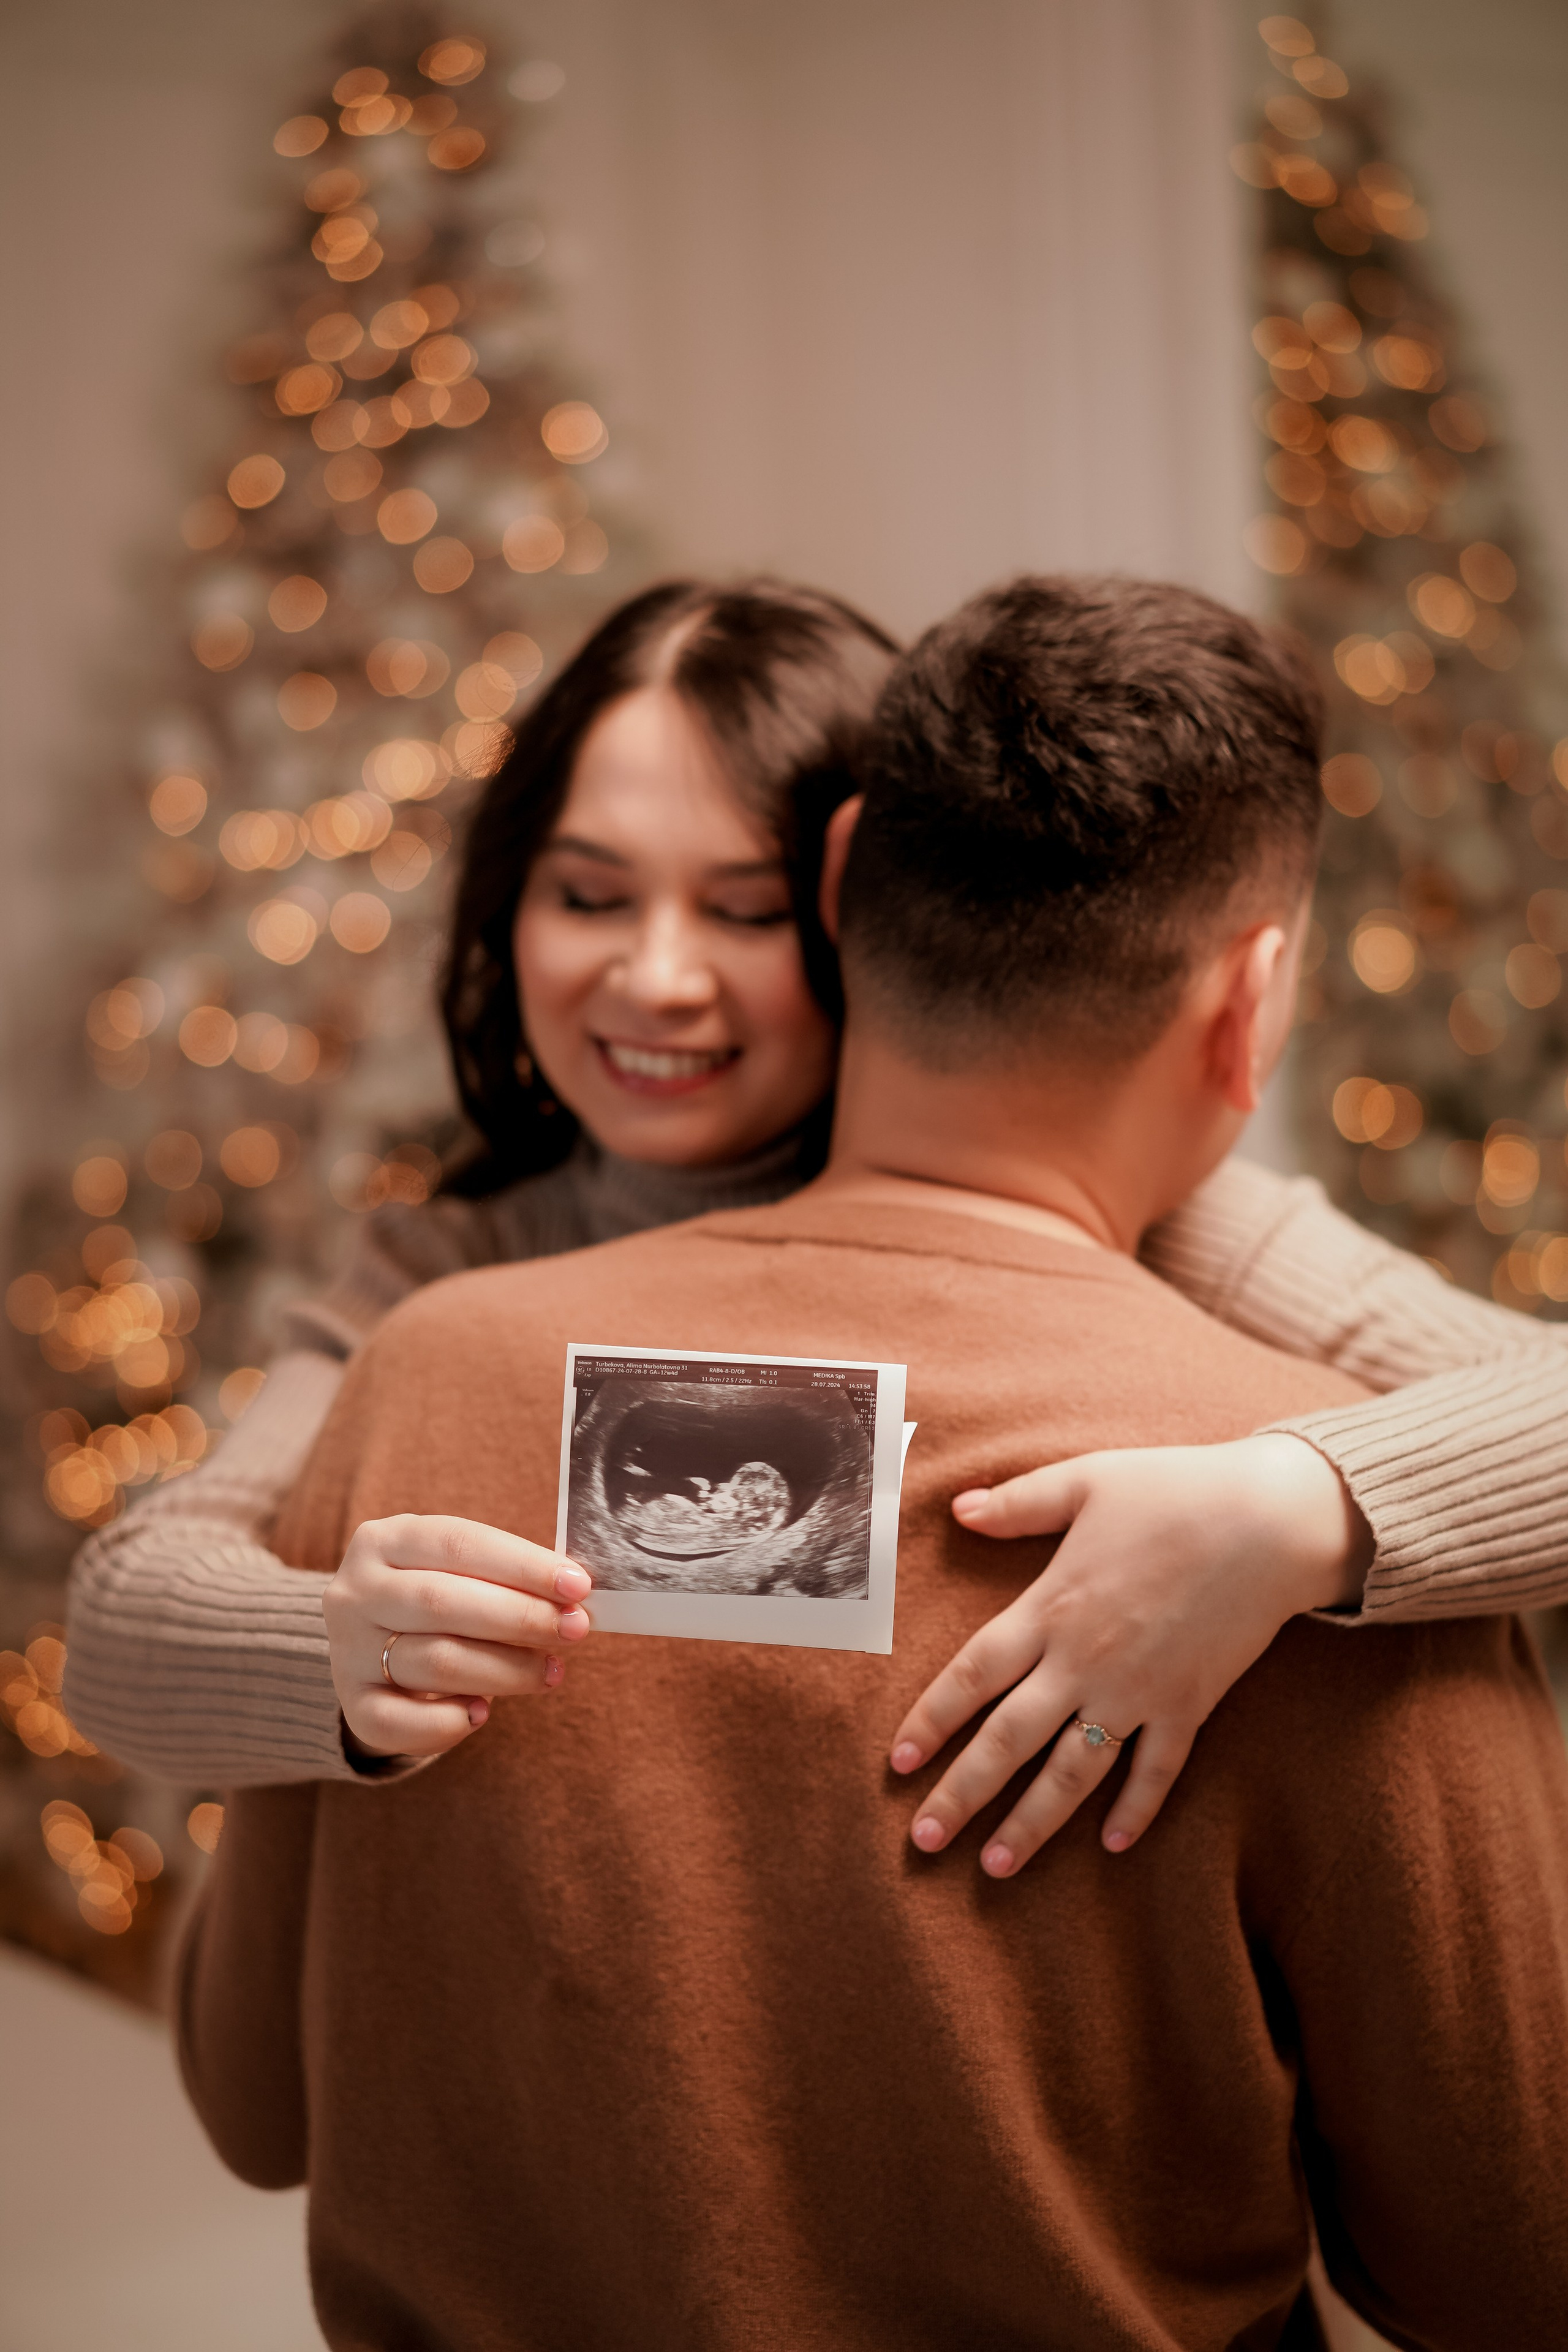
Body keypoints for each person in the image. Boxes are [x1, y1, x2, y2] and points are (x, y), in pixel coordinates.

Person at [184, 576, 1568, 2350]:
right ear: (1256, 998)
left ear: (837, 892)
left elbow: (251, 2102)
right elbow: (1515, 2268)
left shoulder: (421, 1378)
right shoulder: (1344, 1524)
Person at [64, 578, 1568, 1868]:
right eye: (589, 896)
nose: (655, 978)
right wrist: (338, 1646)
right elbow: (125, 1620)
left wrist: (1295, 1512)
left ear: (855, 897)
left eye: (741, 909)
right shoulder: (440, 1272)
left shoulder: (1141, 1210)